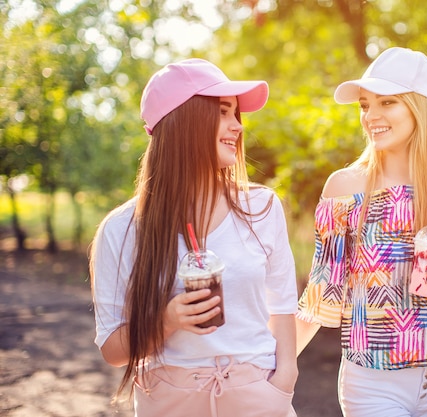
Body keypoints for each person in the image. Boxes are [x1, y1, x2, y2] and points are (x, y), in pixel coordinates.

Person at [296, 47, 427, 417]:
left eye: (386, 102)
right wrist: (266, 368)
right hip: (373, 383)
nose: (371, 116)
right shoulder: (345, 189)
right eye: (364, 105)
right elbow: (321, 297)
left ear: (419, 107)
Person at [89, 58, 299, 417]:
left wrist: (283, 382)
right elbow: (112, 349)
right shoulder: (122, 228)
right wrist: (167, 319)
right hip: (168, 401)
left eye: (237, 115)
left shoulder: (261, 207)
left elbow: (282, 307)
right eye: (223, 112)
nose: (237, 127)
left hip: (256, 397)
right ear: (184, 120)